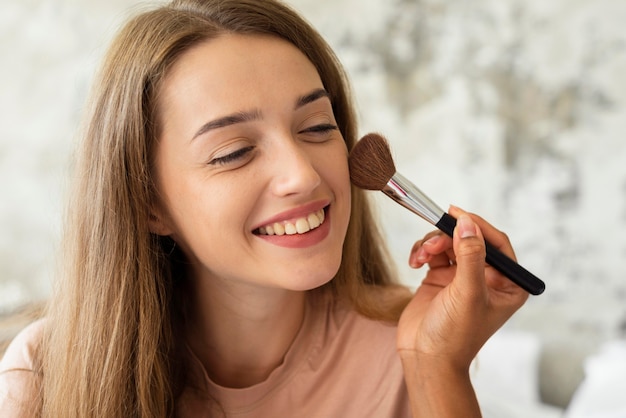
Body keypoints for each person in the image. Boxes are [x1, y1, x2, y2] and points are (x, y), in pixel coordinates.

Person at [0, 0, 529, 416]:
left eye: (318, 127)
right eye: (233, 152)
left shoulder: (409, 344)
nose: (303, 174)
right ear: (148, 204)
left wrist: (436, 366)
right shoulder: (48, 372)